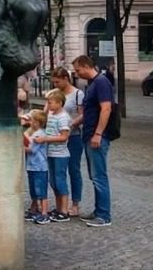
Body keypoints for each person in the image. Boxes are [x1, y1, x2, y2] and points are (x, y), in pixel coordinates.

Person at [72, 55, 113, 226]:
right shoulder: (93, 84)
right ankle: (99, 210)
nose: (76, 73)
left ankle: (104, 215)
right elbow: (89, 112)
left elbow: (106, 109)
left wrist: (98, 134)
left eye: (77, 70)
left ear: (85, 66)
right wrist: (73, 123)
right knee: (94, 175)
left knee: (99, 176)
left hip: (97, 137)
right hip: (89, 135)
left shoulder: (101, 82)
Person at [51, 66, 85, 212]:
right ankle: (61, 204)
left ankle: (75, 204)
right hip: (57, 138)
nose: (55, 85)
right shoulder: (55, 94)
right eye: (54, 82)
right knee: (58, 171)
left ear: (66, 79)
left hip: (73, 137)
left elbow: (82, 114)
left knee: (73, 169)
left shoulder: (78, 94)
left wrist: (69, 125)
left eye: (57, 82)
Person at [40, 89, 74, 221]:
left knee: (60, 181)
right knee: (53, 181)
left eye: (51, 103)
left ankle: (64, 209)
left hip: (60, 154)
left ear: (60, 103)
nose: (49, 105)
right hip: (50, 152)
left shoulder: (63, 117)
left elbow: (64, 137)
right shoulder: (51, 114)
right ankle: (59, 207)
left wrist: (46, 139)